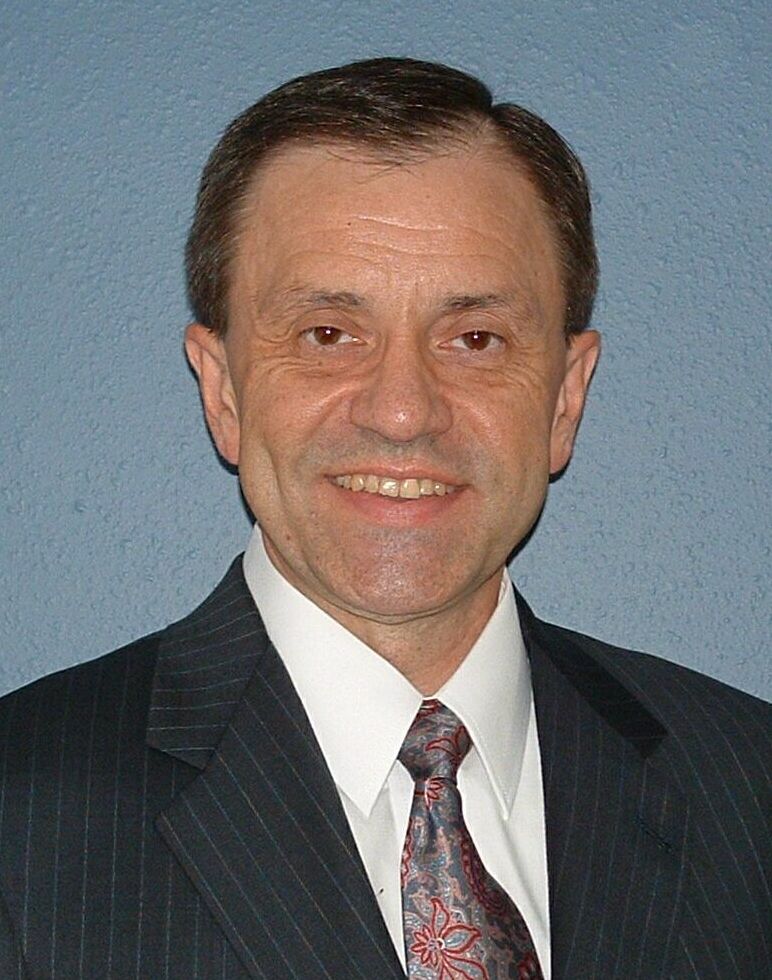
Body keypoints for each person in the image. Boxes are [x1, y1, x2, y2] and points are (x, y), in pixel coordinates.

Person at [0, 58, 768, 980]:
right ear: (223, 391)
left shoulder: (748, 788)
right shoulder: (22, 814)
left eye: (475, 339)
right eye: (328, 334)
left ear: (565, 398)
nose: (403, 411)